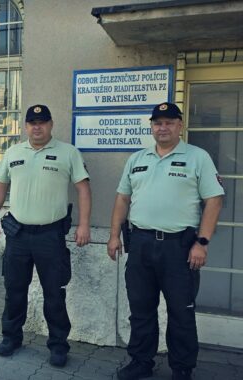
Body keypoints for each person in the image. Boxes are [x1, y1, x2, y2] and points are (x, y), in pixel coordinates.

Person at [107, 102, 224, 380]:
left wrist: (202, 242)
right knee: (141, 308)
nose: (163, 127)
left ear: (179, 125)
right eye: (158, 122)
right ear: (151, 126)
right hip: (141, 244)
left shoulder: (198, 157)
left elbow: (214, 201)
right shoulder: (137, 159)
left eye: (169, 122)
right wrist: (114, 236)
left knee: (181, 312)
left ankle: (182, 368)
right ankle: (141, 362)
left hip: (180, 248)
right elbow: (123, 198)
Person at [0, 104, 91, 367]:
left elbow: (83, 189)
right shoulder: (13, 152)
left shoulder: (68, 153)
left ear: (51, 124)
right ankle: (11, 338)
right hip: (18, 236)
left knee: (54, 293)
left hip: (50, 237)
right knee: (14, 290)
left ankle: (58, 345)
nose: (37, 127)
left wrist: (84, 225)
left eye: (42, 122)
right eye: (32, 122)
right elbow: (0, 187)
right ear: (25, 126)